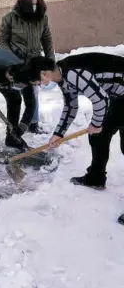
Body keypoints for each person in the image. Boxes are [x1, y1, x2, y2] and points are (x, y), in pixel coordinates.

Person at [25, 53, 124, 189]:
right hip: (119, 96)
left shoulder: (73, 74)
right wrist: (58, 134)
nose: (41, 85)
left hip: (120, 96)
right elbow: (71, 106)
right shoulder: (63, 76)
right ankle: (96, 178)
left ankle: (96, 178)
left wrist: (96, 124)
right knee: (99, 136)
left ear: (44, 74)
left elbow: (101, 100)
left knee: (102, 135)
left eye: (39, 82)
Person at [0, 0, 55, 134]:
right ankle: (13, 127)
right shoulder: (10, 18)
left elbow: (47, 40)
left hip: (34, 63)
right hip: (17, 63)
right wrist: (11, 59)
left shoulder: (42, 18)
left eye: (37, 4)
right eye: (31, 5)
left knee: (33, 94)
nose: (34, 8)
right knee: (15, 96)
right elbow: (2, 40)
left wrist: (50, 62)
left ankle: (32, 123)